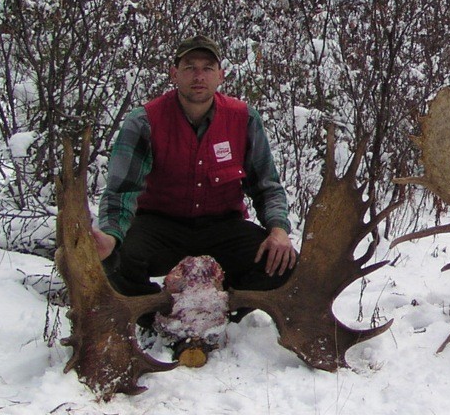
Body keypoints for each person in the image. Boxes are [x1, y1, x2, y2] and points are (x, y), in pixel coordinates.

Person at [92, 36, 298, 302]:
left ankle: (224, 308)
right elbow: (122, 191)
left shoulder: (244, 118)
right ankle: (156, 315)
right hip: (159, 228)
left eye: (207, 68)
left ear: (221, 75)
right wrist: (111, 236)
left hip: (223, 228)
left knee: (282, 262)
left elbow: (266, 186)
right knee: (114, 261)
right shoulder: (144, 121)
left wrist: (278, 229)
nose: (199, 76)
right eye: (190, 67)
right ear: (174, 73)